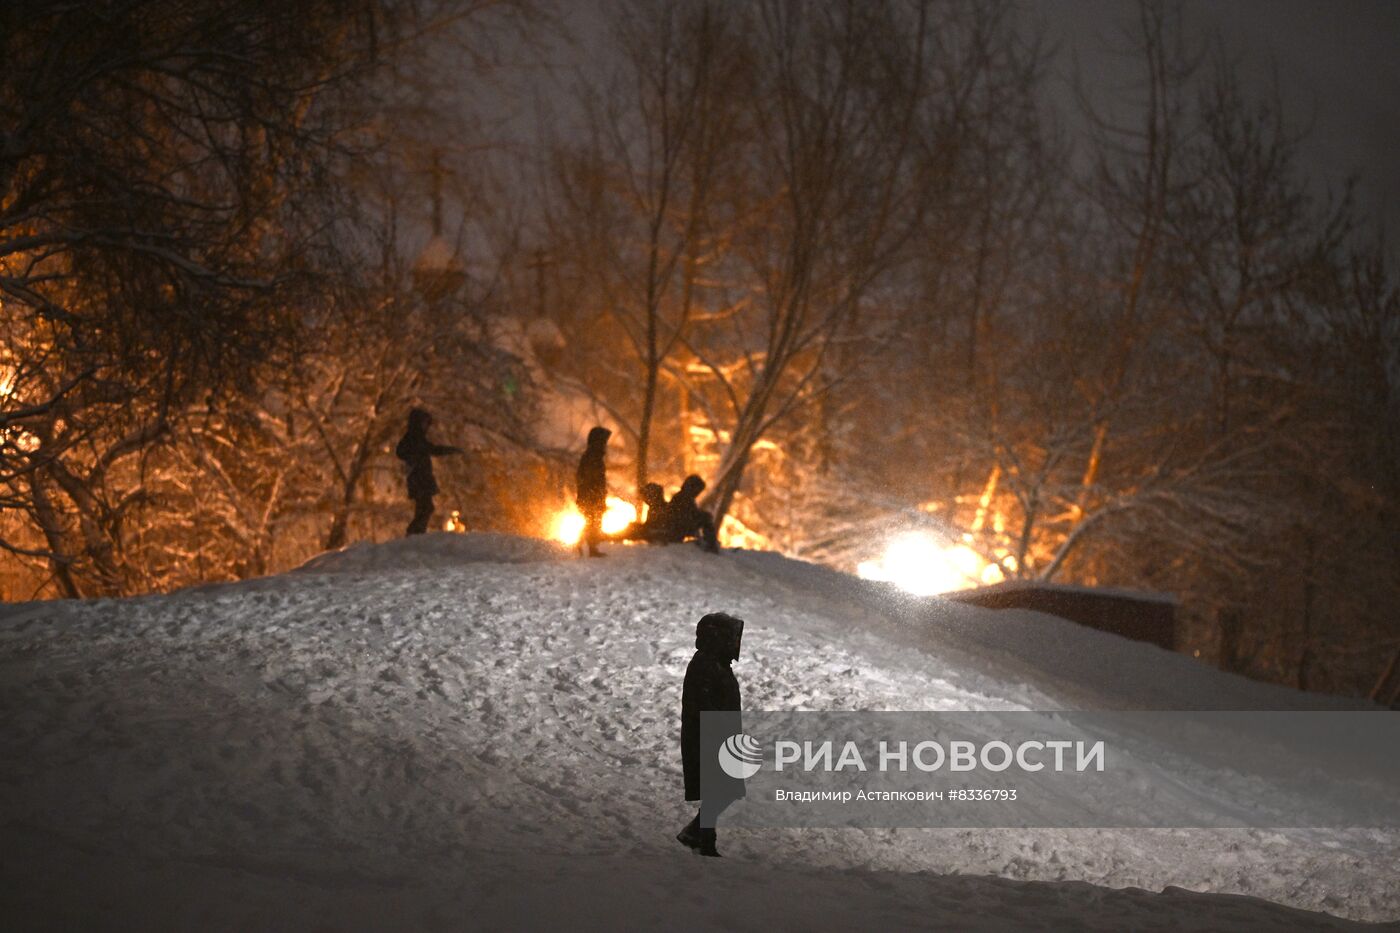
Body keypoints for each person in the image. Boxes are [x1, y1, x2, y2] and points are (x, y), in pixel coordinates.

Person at [678, 612, 745, 858]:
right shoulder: (705, 664)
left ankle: (700, 835)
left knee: (723, 789)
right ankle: (702, 837)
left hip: (718, 736)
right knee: (722, 789)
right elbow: (703, 703)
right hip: (708, 737)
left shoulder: (716, 663)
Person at [395, 408, 461, 536]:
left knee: (425, 507)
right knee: (426, 507)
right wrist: (413, 458)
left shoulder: (417, 438)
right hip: (419, 478)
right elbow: (401, 451)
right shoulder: (413, 438)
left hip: (421, 477)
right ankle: (414, 533)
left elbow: (432, 449)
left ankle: (417, 533)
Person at [653, 474, 719, 553]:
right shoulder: (683, 498)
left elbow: (691, 514)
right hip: (678, 529)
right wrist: (702, 515)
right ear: (692, 488)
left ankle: (710, 542)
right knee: (706, 518)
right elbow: (686, 516)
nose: (698, 493)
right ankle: (711, 545)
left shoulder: (683, 497)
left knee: (705, 516)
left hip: (679, 527)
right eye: (697, 490)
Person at [575, 425, 611, 557]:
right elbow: (591, 479)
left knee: (592, 523)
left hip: (591, 496)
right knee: (592, 523)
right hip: (591, 497)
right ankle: (584, 546)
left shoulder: (594, 455)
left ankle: (587, 547)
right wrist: (596, 495)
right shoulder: (593, 456)